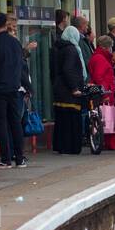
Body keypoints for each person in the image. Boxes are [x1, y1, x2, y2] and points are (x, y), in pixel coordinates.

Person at [0, 12, 30, 169]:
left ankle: (6, 159)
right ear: (6, 24)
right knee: (15, 122)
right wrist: (25, 85)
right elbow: (20, 66)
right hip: (15, 88)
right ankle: (20, 158)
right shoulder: (15, 43)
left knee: (1, 123)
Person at [50, 22, 87, 154]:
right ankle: (72, 147)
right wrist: (74, 88)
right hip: (69, 92)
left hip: (59, 89)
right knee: (72, 121)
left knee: (61, 121)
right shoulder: (71, 50)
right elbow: (68, 69)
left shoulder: (58, 48)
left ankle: (61, 145)